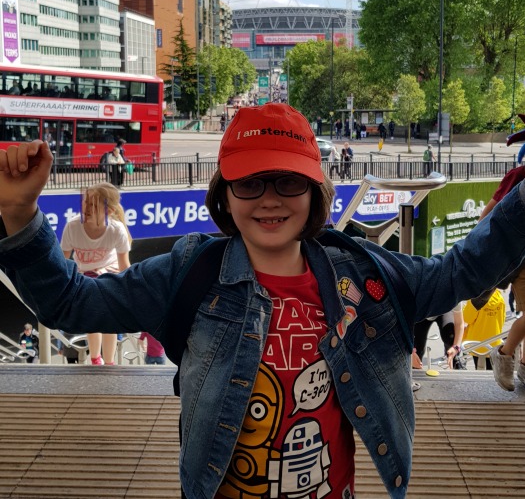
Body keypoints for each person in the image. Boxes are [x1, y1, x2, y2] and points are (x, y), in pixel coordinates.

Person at [1, 104, 525, 499]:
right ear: (224, 194)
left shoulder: (364, 273)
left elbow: (459, 273)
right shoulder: (189, 272)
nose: (269, 197)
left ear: (315, 190)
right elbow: (71, 302)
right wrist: (22, 216)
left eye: (288, 180)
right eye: (249, 183)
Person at [60, 183, 131, 365]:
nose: (87, 208)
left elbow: (124, 266)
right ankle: (95, 358)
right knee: (92, 315)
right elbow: (64, 262)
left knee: (110, 318)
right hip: (84, 275)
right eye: (86, 202)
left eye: (94, 205)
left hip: (109, 272)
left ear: (109, 210)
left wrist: (130, 294)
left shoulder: (116, 230)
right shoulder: (73, 227)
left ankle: (109, 362)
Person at [478, 151, 525, 391]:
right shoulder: (518, 175)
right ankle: (505, 355)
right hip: (521, 257)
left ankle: (522, 364)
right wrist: (480, 247)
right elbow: (488, 212)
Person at [463, 290, 506, 370]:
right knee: (492, 371)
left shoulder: (475, 298)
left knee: (479, 369)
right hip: (494, 341)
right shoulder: (499, 297)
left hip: (477, 343)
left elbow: (467, 318)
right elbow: (502, 319)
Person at [412, 305, 465, 370]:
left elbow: (459, 323)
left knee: (451, 336)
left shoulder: (452, 295)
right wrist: (411, 350)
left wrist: (456, 347)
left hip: (444, 310)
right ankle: (416, 368)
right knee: (417, 346)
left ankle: (453, 361)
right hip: (421, 312)